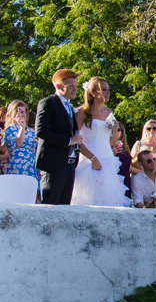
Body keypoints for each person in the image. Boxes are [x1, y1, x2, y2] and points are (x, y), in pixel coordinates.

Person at [71, 77, 132, 207]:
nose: (108, 92)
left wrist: (115, 129)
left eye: (108, 89)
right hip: (89, 159)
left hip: (107, 159)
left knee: (108, 199)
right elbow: (76, 139)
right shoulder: (82, 112)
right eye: (103, 89)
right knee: (89, 198)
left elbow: (111, 142)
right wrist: (93, 159)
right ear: (93, 92)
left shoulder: (109, 112)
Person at [34, 69, 86, 205]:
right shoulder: (48, 103)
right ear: (58, 86)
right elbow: (40, 131)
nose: (75, 89)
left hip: (68, 164)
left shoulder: (68, 106)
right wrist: (69, 141)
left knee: (65, 206)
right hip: (53, 163)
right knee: (50, 205)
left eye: (76, 85)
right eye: (71, 86)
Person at [3, 100, 40, 198]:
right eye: (19, 111)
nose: (23, 114)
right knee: (17, 196)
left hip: (32, 168)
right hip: (17, 168)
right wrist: (21, 128)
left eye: (25, 111)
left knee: (32, 196)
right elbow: (17, 144)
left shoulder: (32, 131)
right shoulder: (11, 129)